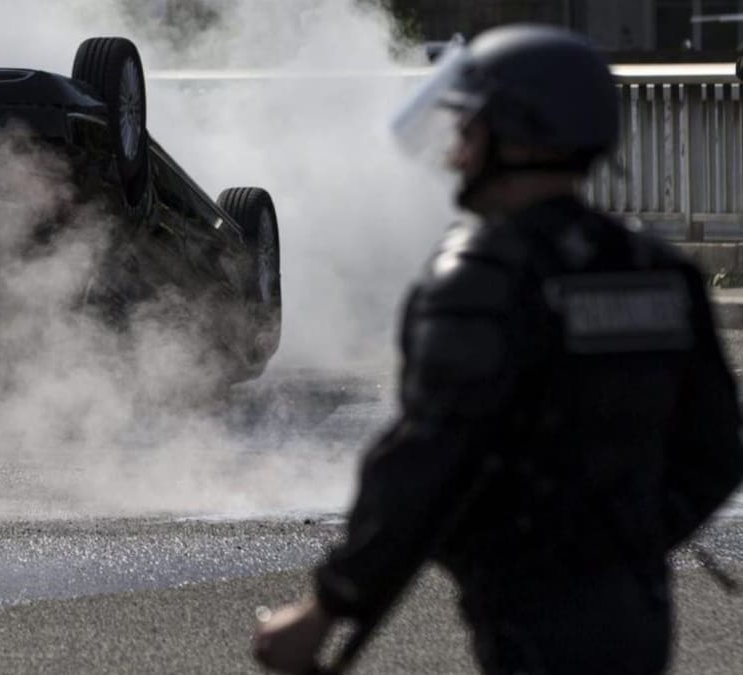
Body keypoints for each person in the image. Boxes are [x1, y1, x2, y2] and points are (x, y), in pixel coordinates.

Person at [252, 24, 743, 675]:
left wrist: (323, 608)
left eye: (470, 128)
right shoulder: (657, 268)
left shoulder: (483, 274)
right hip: (638, 612)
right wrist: (628, 539)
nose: (456, 152)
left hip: (531, 619)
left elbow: (422, 463)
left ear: (517, 135)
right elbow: (716, 448)